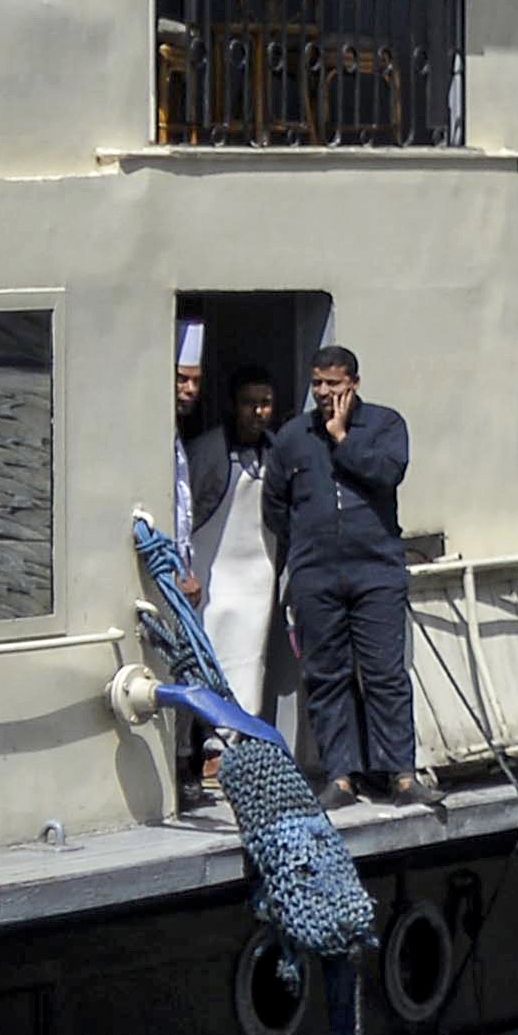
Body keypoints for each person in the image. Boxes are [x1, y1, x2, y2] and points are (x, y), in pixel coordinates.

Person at [267, 342, 419, 804]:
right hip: (317, 574)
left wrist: (341, 439)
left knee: (384, 675)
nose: (324, 393)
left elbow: (388, 473)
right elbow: (276, 505)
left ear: (353, 383)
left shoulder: (386, 425)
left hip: (376, 570)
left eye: (333, 384)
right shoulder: (293, 438)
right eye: (317, 383)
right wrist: (305, 553)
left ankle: (401, 773)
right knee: (327, 675)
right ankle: (342, 775)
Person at [191, 364, 284, 783]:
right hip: (214, 569)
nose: (257, 412)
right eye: (250, 403)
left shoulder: (279, 451)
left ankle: (237, 744)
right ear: (234, 405)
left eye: (265, 403)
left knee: (251, 661)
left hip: (258, 572)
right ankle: (209, 745)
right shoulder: (208, 450)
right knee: (209, 657)